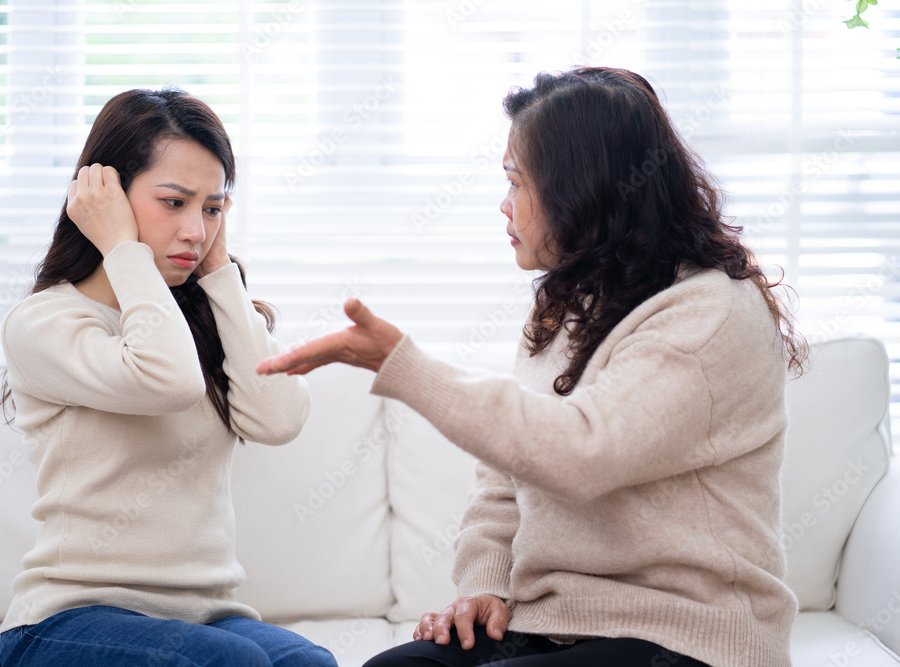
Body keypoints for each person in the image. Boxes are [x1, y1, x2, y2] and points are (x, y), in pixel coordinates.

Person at [257, 67, 806, 667]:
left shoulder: (711, 311)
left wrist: (403, 366)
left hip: (687, 636)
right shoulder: (568, 304)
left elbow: (582, 453)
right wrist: (485, 585)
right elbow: (505, 477)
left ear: (582, 188)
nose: (504, 203)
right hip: (554, 624)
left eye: (518, 182)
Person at [0, 88, 337, 667]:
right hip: (65, 622)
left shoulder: (198, 314)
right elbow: (169, 383)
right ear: (106, 198)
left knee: (311, 664)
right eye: (174, 202)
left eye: (212, 208)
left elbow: (280, 419)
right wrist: (123, 248)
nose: (196, 231)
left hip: (205, 616)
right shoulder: (44, 323)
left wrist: (221, 274)